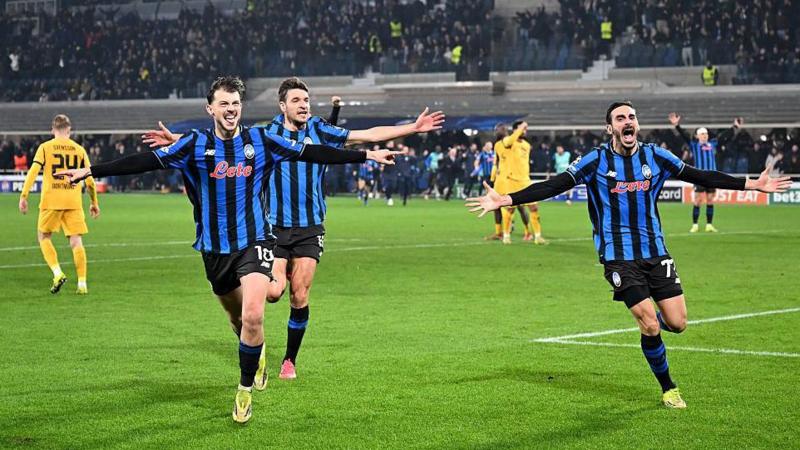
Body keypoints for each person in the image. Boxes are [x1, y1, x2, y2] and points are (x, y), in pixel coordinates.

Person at [57, 76, 401, 424]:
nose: (231, 109)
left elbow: (311, 152)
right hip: (214, 249)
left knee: (254, 314)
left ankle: (244, 390)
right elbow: (145, 161)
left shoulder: (261, 140)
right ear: (211, 109)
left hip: (255, 241)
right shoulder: (194, 145)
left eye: (236, 104)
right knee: (238, 321)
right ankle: (259, 352)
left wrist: (365, 154)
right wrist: (91, 170)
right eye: (224, 104)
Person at [466, 101, 791, 409]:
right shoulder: (594, 161)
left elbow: (701, 176)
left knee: (677, 324)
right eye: (620, 118)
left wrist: (752, 183)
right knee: (649, 324)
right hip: (618, 257)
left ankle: (659, 326)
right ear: (610, 128)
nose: (627, 122)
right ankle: (668, 387)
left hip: (655, 251)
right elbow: (554, 185)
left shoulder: (655, 156)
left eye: (631, 117)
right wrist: (505, 200)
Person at [143, 77, 444, 380]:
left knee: (299, 294)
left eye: (306, 101)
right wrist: (177, 141)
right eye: (297, 101)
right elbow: (227, 139)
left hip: (310, 227)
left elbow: (365, 134)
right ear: (282, 106)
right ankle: (256, 322)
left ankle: (289, 360)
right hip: (274, 227)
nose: (304, 106)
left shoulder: (319, 129)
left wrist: (412, 128)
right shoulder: (268, 134)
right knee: (274, 293)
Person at [19, 114, 100, 295]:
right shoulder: (79, 150)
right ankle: (82, 283)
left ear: (52, 130)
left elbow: (33, 171)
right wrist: (94, 202)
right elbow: (90, 180)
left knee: (44, 237)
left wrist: (24, 195)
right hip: (73, 201)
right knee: (76, 241)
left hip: (51, 200)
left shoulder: (45, 147)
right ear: (69, 130)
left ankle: (57, 273)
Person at [669, 113, 741, 232]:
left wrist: (735, 127)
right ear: (698, 136)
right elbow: (685, 136)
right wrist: (677, 125)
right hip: (699, 177)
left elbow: (724, 136)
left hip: (712, 177)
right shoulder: (694, 145)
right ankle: (695, 225)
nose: (705, 135)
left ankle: (709, 225)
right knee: (698, 201)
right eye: (702, 134)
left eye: (706, 133)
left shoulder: (712, 144)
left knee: (710, 200)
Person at [494, 121, 545, 244]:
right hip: (512, 181)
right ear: (516, 130)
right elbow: (507, 142)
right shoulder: (508, 142)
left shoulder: (527, 145)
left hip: (525, 181)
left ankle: (537, 236)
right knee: (510, 210)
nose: (525, 131)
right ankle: (506, 236)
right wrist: (520, 127)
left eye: (526, 129)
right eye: (523, 129)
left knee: (534, 208)